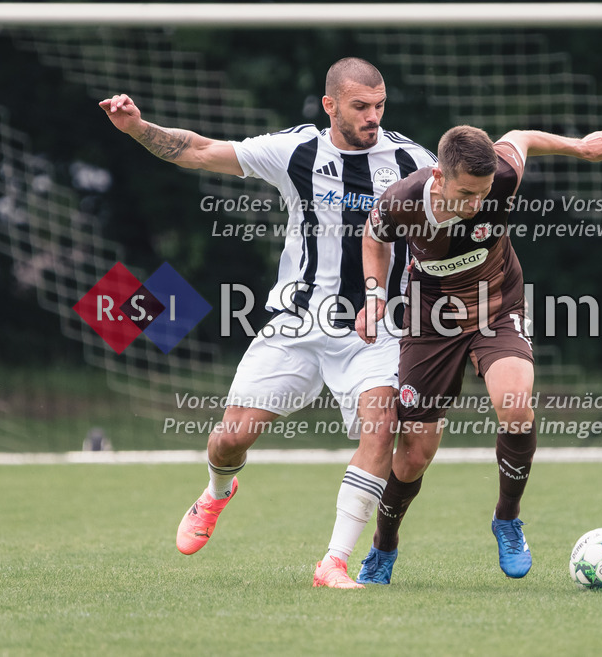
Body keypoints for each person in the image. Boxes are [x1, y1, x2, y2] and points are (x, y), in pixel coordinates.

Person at [99, 58, 437, 589]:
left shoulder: (412, 161)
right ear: (330, 106)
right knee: (231, 439)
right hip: (297, 324)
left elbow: (460, 211)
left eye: (379, 106)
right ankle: (217, 491)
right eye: (360, 107)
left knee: (381, 429)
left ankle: (334, 562)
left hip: (375, 328)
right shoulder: (296, 149)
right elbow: (199, 150)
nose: (373, 117)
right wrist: (138, 128)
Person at [354, 125, 602, 583]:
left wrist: (578, 147)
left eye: (482, 193)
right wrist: (374, 295)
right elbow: (373, 237)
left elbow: (522, 137)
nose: (476, 203)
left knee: (516, 405)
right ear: (438, 176)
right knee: (415, 452)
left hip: (498, 304)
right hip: (431, 320)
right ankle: (383, 546)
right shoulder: (403, 201)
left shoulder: (503, 175)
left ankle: (507, 518)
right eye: (466, 193)